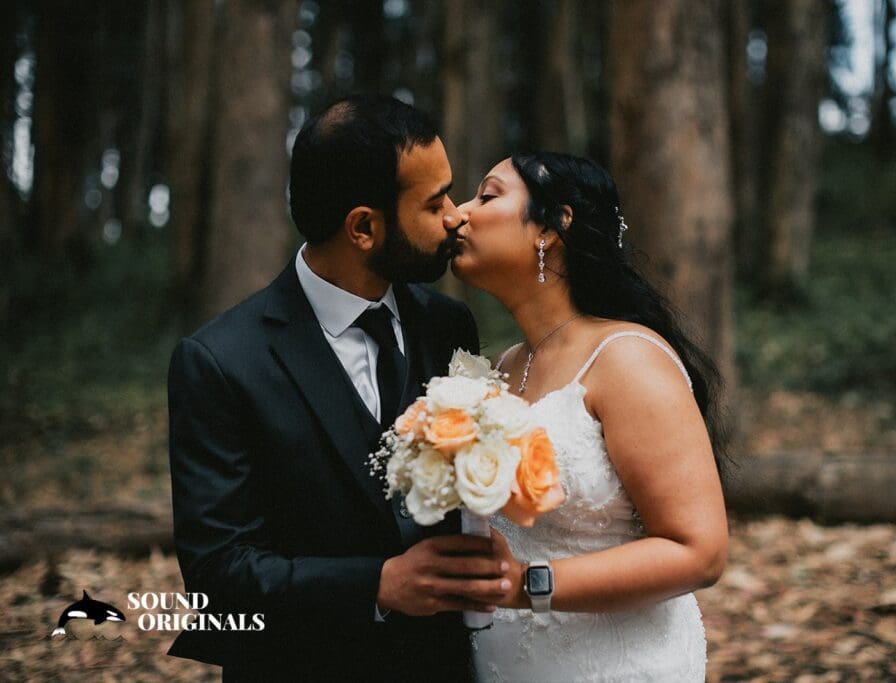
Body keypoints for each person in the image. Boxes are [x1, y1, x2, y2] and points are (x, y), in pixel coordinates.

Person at [166, 95, 514, 681]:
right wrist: (376, 586)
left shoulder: (447, 325)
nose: (456, 216)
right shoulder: (219, 362)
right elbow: (219, 576)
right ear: (363, 227)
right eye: (434, 203)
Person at [451, 152, 730, 682]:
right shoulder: (503, 367)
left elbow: (700, 551)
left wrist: (526, 585)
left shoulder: (626, 358)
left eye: (487, 195)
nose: (457, 214)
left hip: (616, 666)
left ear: (553, 226)